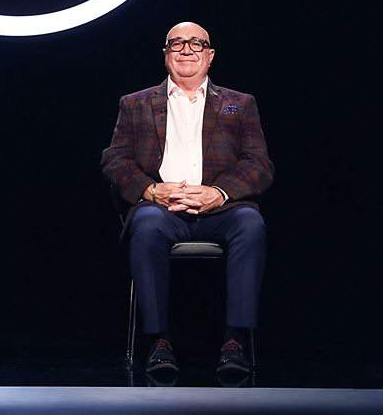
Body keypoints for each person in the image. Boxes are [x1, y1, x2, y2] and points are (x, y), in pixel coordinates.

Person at [101, 22, 274, 378]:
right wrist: (151, 190)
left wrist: (218, 193)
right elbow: (114, 159)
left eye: (196, 43)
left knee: (251, 223)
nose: (186, 50)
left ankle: (236, 341)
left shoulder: (240, 104)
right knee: (146, 224)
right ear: (165, 54)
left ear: (210, 56)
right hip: (162, 208)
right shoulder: (135, 104)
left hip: (223, 209)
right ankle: (158, 342)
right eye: (176, 43)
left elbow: (259, 164)